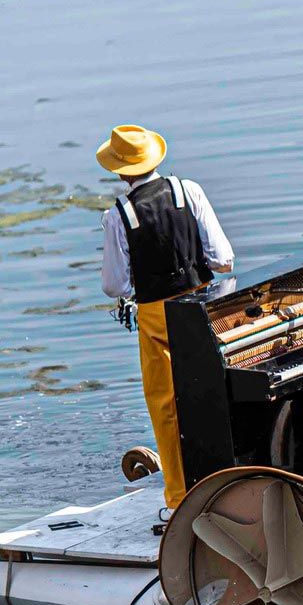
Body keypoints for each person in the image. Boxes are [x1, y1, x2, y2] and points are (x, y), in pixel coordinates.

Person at [96, 124, 233, 514]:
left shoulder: (118, 216)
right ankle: (229, 478)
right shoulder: (188, 190)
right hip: (207, 305)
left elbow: (115, 285)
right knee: (218, 393)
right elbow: (224, 258)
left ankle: (179, 498)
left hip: (157, 315)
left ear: (120, 171)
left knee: (166, 405)